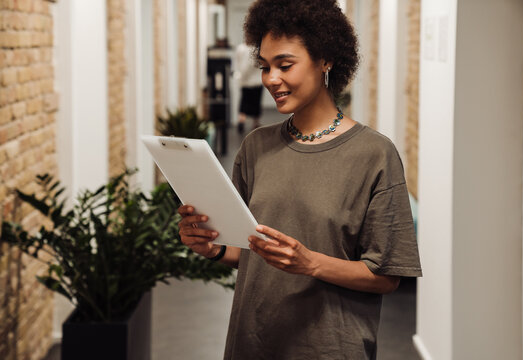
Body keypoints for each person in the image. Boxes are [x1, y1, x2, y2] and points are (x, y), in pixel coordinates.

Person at [178, 0, 422, 358]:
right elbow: (250, 251)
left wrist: (310, 263)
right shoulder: (255, 147)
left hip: (331, 348)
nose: (271, 79)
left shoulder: (373, 154)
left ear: (325, 60)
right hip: (252, 341)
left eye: (285, 65)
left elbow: (386, 275)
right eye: (264, 66)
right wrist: (213, 248)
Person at [235, 42, 263, 134]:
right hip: (254, 81)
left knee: (245, 101)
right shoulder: (256, 48)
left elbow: (238, 63)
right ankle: (254, 123)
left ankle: (242, 121)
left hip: (247, 81)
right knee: (254, 101)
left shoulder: (241, 48)